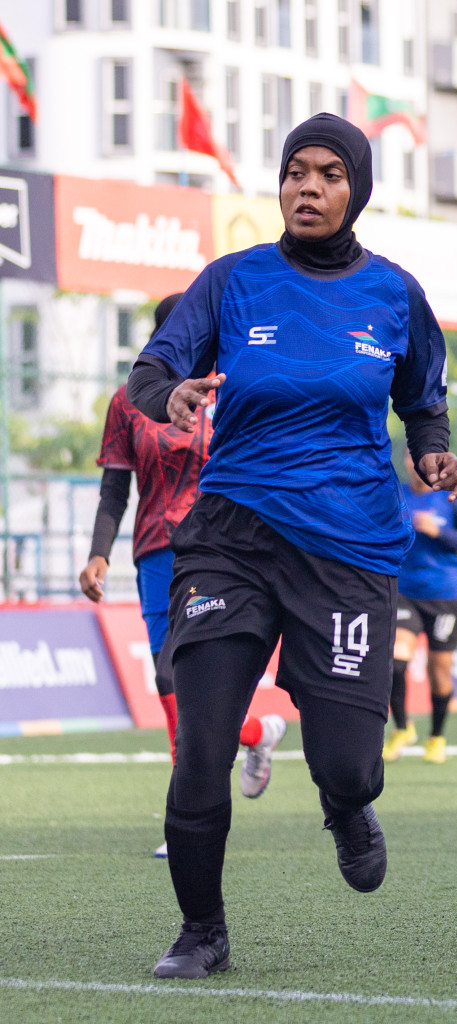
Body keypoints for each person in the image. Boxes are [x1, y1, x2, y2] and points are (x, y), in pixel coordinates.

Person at [125, 113, 457, 979]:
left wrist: (431, 450)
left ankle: (346, 805)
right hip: (231, 537)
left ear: (356, 190)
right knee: (201, 742)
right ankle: (201, 932)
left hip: (348, 550)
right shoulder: (232, 281)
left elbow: (422, 400)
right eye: (294, 172)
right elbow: (148, 370)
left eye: (328, 174)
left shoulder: (395, 294)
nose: (307, 187)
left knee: (349, 765)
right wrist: (168, 395)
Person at [78, 294, 285, 860]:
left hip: (221, 551)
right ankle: (254, 735)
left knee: (181, 674)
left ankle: (187, 817)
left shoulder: (234, 390)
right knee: (171, 682)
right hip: (153, 555)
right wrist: (99, 553)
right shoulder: (128, 401)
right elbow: (115, 488)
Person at [384, 457, 457, 765]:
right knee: (395, 662)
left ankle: (436, 737)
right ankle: (402, 728)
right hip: (405, 593)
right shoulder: (395, 494)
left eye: (422, 460)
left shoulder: (454, 495)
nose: (416, 466)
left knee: (438, 672)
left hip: (447, 596)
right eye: (411, 459)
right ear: (405, 462)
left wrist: (438, 532)